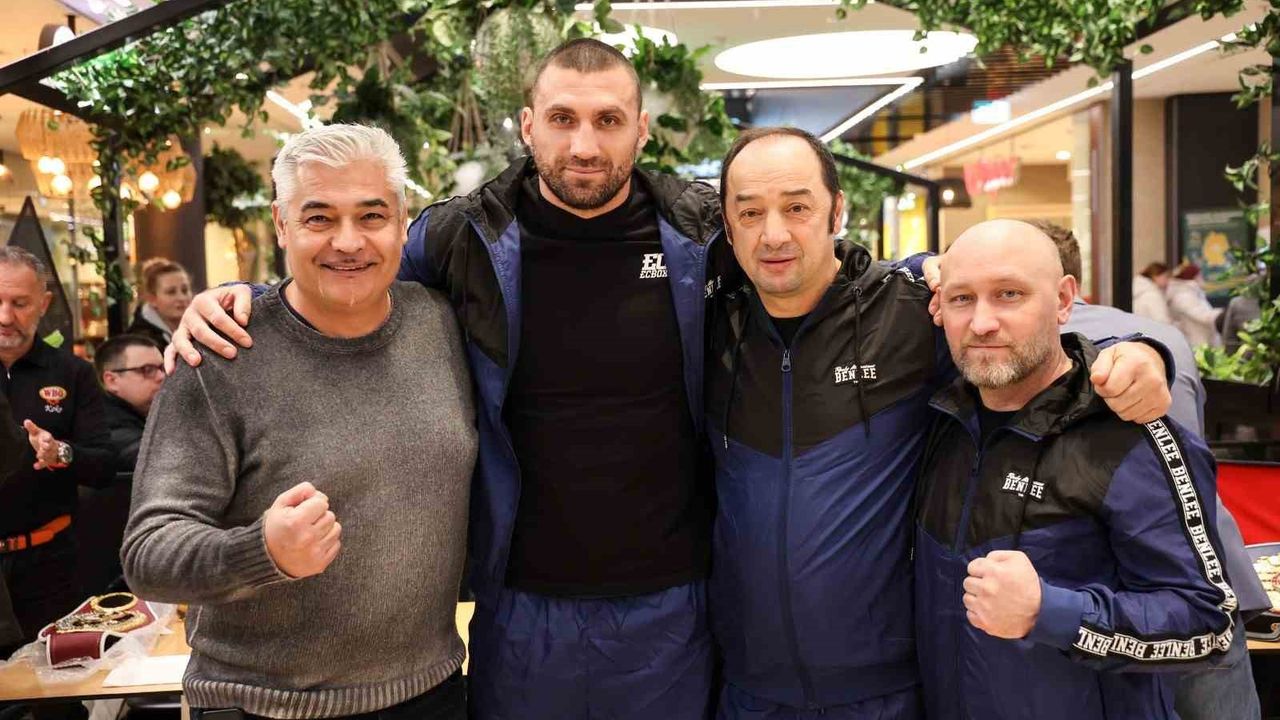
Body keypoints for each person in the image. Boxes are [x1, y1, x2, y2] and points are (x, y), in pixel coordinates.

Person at [168, 40, 730, 720]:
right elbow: (348, 273)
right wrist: (243, 298)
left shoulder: (702, 231)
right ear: (528, 126)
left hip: (671, 600)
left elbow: (806, 273)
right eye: (562, 119)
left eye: (607, 120)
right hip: (518, 604)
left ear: (640, 129)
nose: (584, 145)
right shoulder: (463, 236)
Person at [706, 130, 1173, 720]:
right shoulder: (710, 323)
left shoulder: (907, 311)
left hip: (889, 690)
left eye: (797, 207)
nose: (773, 234)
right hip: (748, 689)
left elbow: (1023, 340)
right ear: (728, 226)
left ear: (836, 211)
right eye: (750, 213)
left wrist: (1140, 350)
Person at [122, 124, 475, 720]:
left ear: (402, 222)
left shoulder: (441, 325)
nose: (348, 241)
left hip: (431, 692)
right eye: (318, 218)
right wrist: (261, 552)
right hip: (263, 705)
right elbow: (148, 553)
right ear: (282, 225)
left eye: (371, 216)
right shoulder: (219, 354)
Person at [915, 220, 1235, 720]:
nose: (982, 322)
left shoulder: (1131, 435)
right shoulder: (936, 420)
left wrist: (1052, 612)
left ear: (1064, 300)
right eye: (962, 299)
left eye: (1009, 294)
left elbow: (1206, 625)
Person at [1038, 219, 1267, 720]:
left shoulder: (1043, 348)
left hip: (1123, 599)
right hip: (1213, 570)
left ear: (1060, 290)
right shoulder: (1163, 338)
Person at [0, 246, 115, 659]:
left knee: (56, 683)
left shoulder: (72, 373)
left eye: (19, 303)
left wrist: (60, 453)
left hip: (48, 564)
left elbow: (104, 465)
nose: (5, 317)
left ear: (44, 304)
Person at [95, 334, 165, 472]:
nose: (162, 376)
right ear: (112, 381)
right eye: (147, 370)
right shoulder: (106, 426)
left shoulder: (148, 414)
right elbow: (164, 463)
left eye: (162, 368)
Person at [126, 258, 192, 347]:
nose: (181, 298)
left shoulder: (199, 328)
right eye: (171, 292)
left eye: (185, 290)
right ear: (152, 299)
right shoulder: (139, 341)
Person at [1167, 262, 1222, 347]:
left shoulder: (1193, 293)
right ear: (1193, 277)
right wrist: (1226, 314)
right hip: (1197, 343)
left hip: (1202, 341)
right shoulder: (1184, 297)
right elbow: (1203, 316)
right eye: (1199, 275)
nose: (1202, 278)